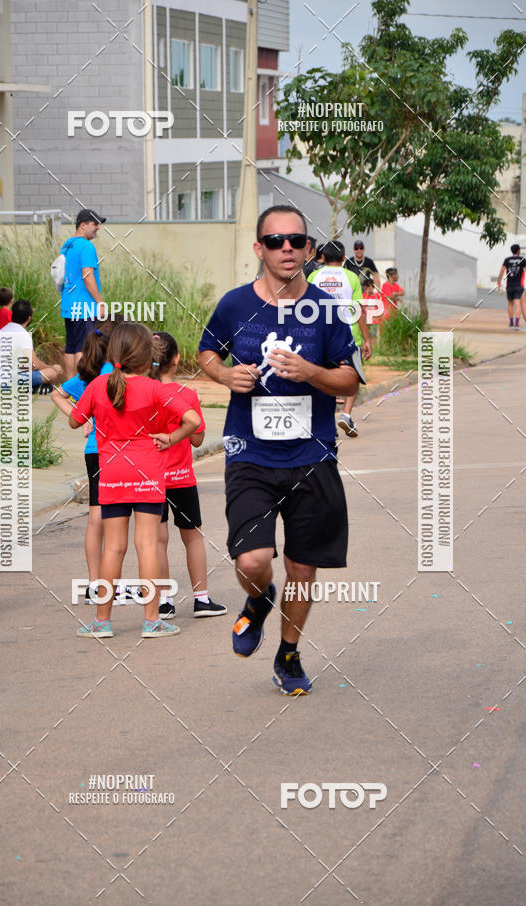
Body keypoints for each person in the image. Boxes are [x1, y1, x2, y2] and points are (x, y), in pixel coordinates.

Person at [198, 205, 363, 695]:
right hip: (250, 453)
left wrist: (310, 372)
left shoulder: (327, 309)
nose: (286, 248)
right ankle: (256, 601)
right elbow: (207, 350)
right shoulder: (233, 306)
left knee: (303, 566)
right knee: (252, 561)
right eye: (275, 241)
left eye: (296, 240)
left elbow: (351, 377)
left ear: (309, 249)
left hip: (311, 457)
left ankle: (289, 654)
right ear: (259, 249)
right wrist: (226, 374)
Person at [69, 321, 201, 639]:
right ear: (146, 358)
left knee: (113, 548)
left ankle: (102, 621)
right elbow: (193, 421)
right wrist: (171, 438)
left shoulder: (99, 385)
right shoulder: (154, 388)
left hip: (112, 472)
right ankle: (152, 620)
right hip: (147, 472)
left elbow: (76, 421)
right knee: (147, 546)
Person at [151, 331, 227, 620]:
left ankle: (164, 602)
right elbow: (197, 439)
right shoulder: (187, 395)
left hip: (151, 478)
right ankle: (201, 599)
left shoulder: (144, 393)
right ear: (177, 358)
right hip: (181, 476)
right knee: (192, 538)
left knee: (157, 541)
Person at [51, 321, 115, 605]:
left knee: (95, 517)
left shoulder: (85, 376)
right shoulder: (113, 373)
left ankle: (94, 584)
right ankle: (111, 582)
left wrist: (81, 415)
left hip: (93, 451)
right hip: (115, 450)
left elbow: (56, 394)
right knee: (118, 518)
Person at [308, 241, 372, 439]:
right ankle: (346, 414)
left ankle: (327, 422)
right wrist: (367, 339)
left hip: (319, 337)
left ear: (323, 258)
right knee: (351, 377)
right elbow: (360, 310)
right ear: (345, 258)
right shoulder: (351, 277)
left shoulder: (313, 276)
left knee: (324, 378)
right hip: (348, 336)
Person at [59, 208, 107, 379]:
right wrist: (99, 301)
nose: (98, 228)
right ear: (83, 225)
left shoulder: (67, 245)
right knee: (83, 348)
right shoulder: (87, 246)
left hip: (68, 305)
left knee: (71, 348)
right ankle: (81, 388)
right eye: (95, 224)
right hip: (84, 306)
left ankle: (70, 388)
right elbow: (87, 276)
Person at [0, 299, 63, 392]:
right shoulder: (23, 334)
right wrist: (52, 368)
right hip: (5, 383)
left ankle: (31, 388)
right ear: (29, 318)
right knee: (51, 373)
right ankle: (33, 388)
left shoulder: (1, 331)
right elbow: (34, 364)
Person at [497, 244, 526, 329]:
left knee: (510, 304)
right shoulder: (522, 260)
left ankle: (511, 323)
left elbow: (502, 272)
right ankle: (516, 324)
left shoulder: (507, 260)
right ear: (518, 250)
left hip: (509, 285)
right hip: (519, 286)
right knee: (518, 305)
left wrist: (499, 283)